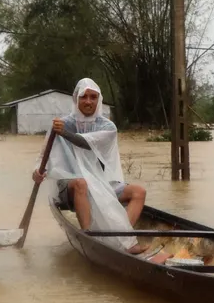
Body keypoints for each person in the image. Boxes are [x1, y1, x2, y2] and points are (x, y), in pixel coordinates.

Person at [31, 78, 148, 254]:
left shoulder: (108, 127)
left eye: (93, 97)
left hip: (100, 182)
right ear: (76, 99)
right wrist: (37, 172)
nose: (88, 101)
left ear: (98, 100)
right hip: (68, 184)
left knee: (139, 192)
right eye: (83, 97)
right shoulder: (63, 123)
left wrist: (64, 132)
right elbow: (44, 156)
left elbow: (85, 143)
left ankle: (121, 237)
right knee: (81, 183)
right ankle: (89, 239)